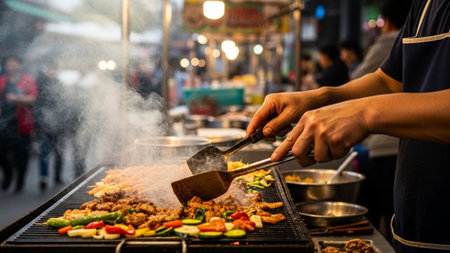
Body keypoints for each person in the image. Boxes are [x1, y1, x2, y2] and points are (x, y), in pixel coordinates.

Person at [246, 0, 449, 252]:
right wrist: (320, 97)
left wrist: (364, 114)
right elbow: (389, 82)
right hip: (414, 232)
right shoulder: (424, 5)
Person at [352, 0, 412, 243]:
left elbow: (362, 79)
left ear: (385, 22)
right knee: (395, 213)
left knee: (388, 211)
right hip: (410, 143)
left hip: (387, 142)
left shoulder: (391, 41)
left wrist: (362, 117)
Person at [0, 55, 38, 193]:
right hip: (3, 125)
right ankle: (8, 175)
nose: (11, 66)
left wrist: (16, 98)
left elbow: (32, 98)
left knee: (22, 155)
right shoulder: (2, 80)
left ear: (19, 65)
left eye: (14, 63)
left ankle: (20, 182)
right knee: (2, 153)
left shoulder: (27, 80)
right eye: (8, 63)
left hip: (22, 125)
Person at [33, 61, 65, 190]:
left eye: (54, 69)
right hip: (43, 124)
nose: (51, 71)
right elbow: (36, 105)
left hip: (58, 125)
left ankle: (57, 177)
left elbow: (64, 105)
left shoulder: (60, 84)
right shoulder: (39, 84)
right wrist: (38, 123)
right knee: (44, 152)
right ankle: (43, 178)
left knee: (58, 153)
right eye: (49, 69)